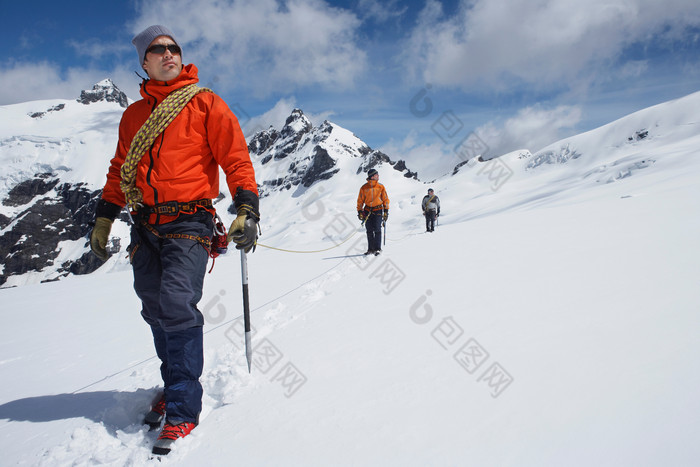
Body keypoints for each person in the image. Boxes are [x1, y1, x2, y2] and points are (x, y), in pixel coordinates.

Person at [88, 25, 259, 456]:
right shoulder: (133, 117)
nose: (169, 54)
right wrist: (105, 218)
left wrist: (247, 208)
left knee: (177, 303)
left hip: (190, 221)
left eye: (174, 48)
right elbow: (118, 171)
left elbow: (235, 157)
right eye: (158, 50)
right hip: (145, 224)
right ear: (143, 63)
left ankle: (183, 408)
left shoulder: (205, 103)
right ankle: (172, 385)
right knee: (153, 305)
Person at [357, 168, 389, 255]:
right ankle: (370, 249)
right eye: (376, 175)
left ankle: (377, 248)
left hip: (378, 209)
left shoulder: (381, 187)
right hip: (367, 211)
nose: (378, 176)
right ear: (372, 177)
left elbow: (385, 199)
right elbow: (360, 201)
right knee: (369, 230)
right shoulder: (363, 188)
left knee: (377, 229)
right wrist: (360, 211)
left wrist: (386, 211)